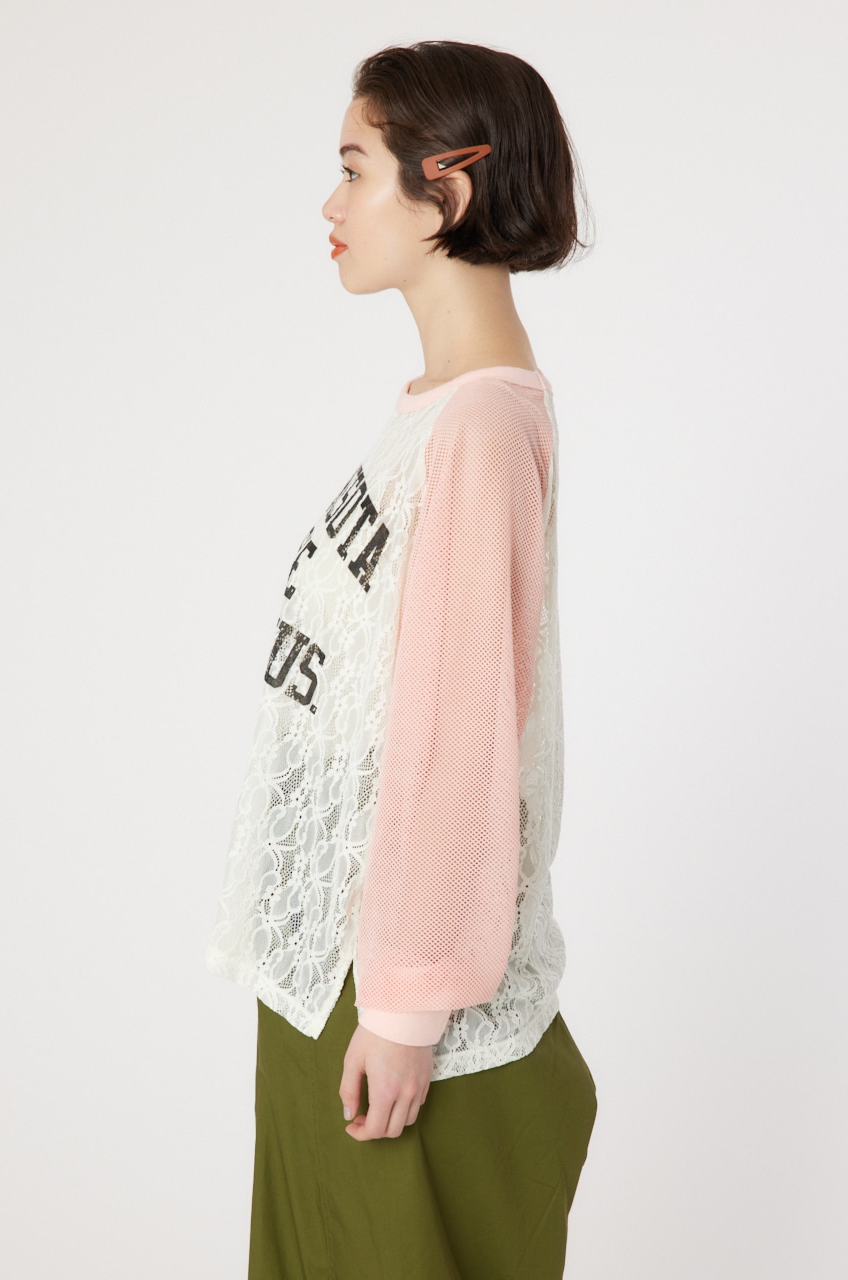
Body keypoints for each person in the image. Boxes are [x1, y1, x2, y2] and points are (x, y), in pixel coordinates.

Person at [205, 38, 597, 1280]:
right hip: (334, 968)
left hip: (390, 1002)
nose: (330, 203)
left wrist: (407, 1006)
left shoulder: (479, 424)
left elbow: (456, 730)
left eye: (354, 167)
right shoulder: (438, 411)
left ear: (449, 189)